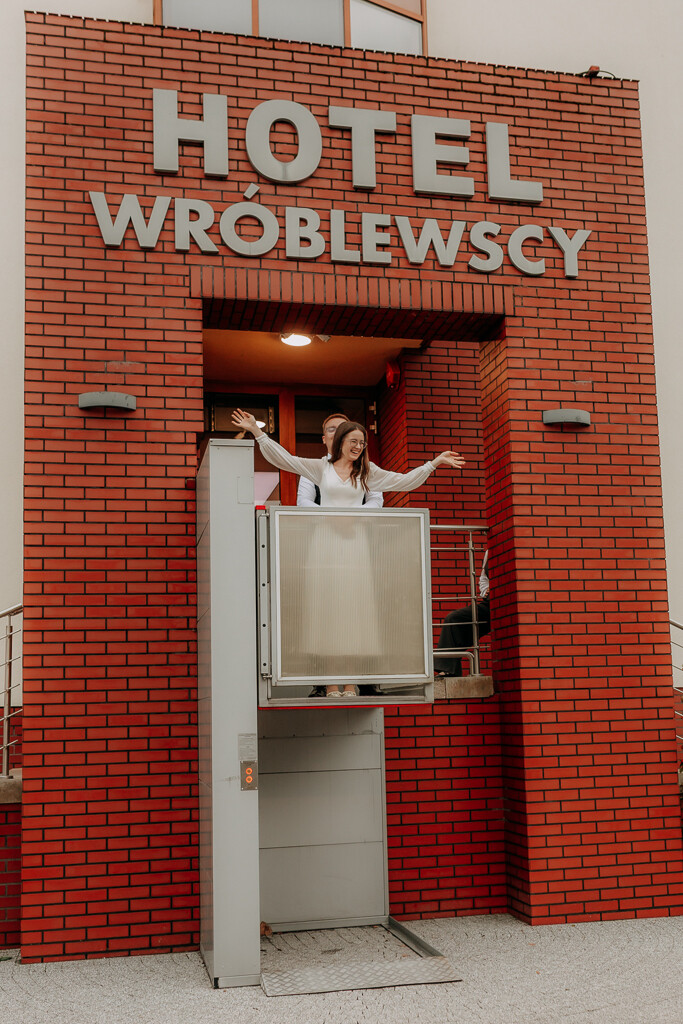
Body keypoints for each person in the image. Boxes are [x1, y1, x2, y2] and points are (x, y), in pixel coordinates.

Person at [231, 408, 466, 696]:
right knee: (327, 610)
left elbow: (404, 481)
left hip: (356, 547)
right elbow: (285, 460)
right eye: (354, 441)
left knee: (355, 610)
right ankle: (331, 682)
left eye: (362, 443)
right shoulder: (321, 468)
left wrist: (433, 463)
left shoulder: (367, 472)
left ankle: (351, 681)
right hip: (324, 545)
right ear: (341, 441)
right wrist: (258, 432)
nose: (358, 447)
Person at [297, 412, 383, 509]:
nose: (337, 433)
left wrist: (353, 514)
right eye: (332, 429)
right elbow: (303, 502)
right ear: (324, 439)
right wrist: (330, 515)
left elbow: (376, 500)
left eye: (343, 429)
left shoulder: (367, 469)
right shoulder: (311, 468)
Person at [433, 552, 490, 677]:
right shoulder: (488, 552)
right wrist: (485, 591)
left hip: (506, 602)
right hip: (490, 602)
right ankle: (449, 670)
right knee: (454, 619)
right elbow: (483, 579)